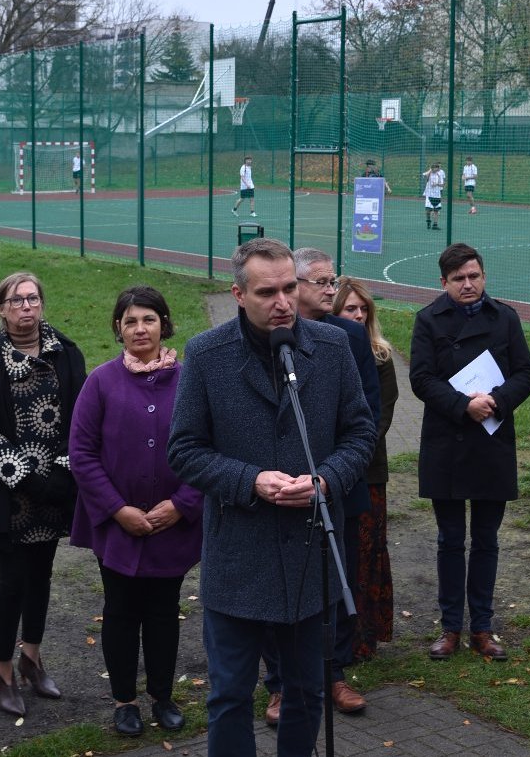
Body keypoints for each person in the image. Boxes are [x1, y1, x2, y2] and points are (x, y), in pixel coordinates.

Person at [167, 237, 375, 757]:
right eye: (267, 292)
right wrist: (250, 481)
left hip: (309, 554)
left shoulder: (330, 348)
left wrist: (325, 480)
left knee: (306, 693)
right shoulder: (207, 355)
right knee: (230, 696)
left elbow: (360, 434)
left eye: (289, 288)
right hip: (238, 554)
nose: (282, 302)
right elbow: (185, 450)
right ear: (239, 293)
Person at [68, 286, 202, 737]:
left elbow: (210, 448)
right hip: (117, 526)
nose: (140, 328)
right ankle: (125, 700)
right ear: (118, 330)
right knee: (121, 610)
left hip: (173, 524)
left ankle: (162, 696)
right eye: (130, 321)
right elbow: (82, 453)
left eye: (148, 319)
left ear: (165, 323)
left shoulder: (190, 380)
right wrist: (116, 509)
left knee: (164, 611)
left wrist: (183, 505)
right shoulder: (101, 381)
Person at [260, 249, 382, 720]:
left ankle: (333, 674)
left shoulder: (349, 338)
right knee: (277, 587)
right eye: (319, 282)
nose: (331, 290)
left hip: (335, 485)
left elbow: (364, 415)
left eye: (333, 281)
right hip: (274, 489)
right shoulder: (261, 339)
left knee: (334, 580)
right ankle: (279, 684)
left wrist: (329, 475)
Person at [411, 243, 530, 660]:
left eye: (474, 276)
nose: (468, 285)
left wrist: (497, 401)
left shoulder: (505, 318)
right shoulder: (428, 320)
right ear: (443, 282)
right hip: (447, 444)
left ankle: (482, 627)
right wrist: (462, 405)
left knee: (486, 540)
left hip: (491, 443)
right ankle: (450, 627)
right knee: (450, 540)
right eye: (459, 279)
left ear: (484, 276)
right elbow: (421, 378)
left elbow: (526, 373)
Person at [0, 271, 86, 719]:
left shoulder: (66, 352)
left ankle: (32, 658)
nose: (25, 308)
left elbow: (81, 417)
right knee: (13, 581)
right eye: (16, 301)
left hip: (57, 486)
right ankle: (3, 671)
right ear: (1, 309)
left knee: (42, 576)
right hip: (10, 491)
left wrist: (61, 475)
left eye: (32, 299)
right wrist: (24, 477)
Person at [333, 278, 396, 663]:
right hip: (330, 473)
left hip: (367, 471)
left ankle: (363, 635)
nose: (357, 315)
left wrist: (350, 456)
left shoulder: (380, 357)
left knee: (367, 552)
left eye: (362, 309)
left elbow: (379, 417)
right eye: (349, 309)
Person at [421, 162, 446, 231]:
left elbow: (443, 184)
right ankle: (428, 220)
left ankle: (435, 224)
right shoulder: (429, 174)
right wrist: (430, 170)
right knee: (428, 210)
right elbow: (424, 176)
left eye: (436, 168)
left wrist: (437, 184)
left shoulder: (440, 174)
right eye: (433, 168)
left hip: (437, 195)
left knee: (436, 211)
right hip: (429, 195)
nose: (435, 169)